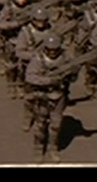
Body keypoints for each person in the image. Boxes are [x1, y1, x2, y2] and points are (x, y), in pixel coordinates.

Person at [24, 34, 69, 162]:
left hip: (59, 95)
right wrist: (49, 81)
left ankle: (53, 147)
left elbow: (72, 76)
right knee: (40, 124)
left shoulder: (65, 58)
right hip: (42, 96)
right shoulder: (38, 60)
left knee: (56, 124)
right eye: (50, 49)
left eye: (55, 49)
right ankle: (38, 148)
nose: (53, 52)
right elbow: (30, 77)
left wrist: (70, 74)